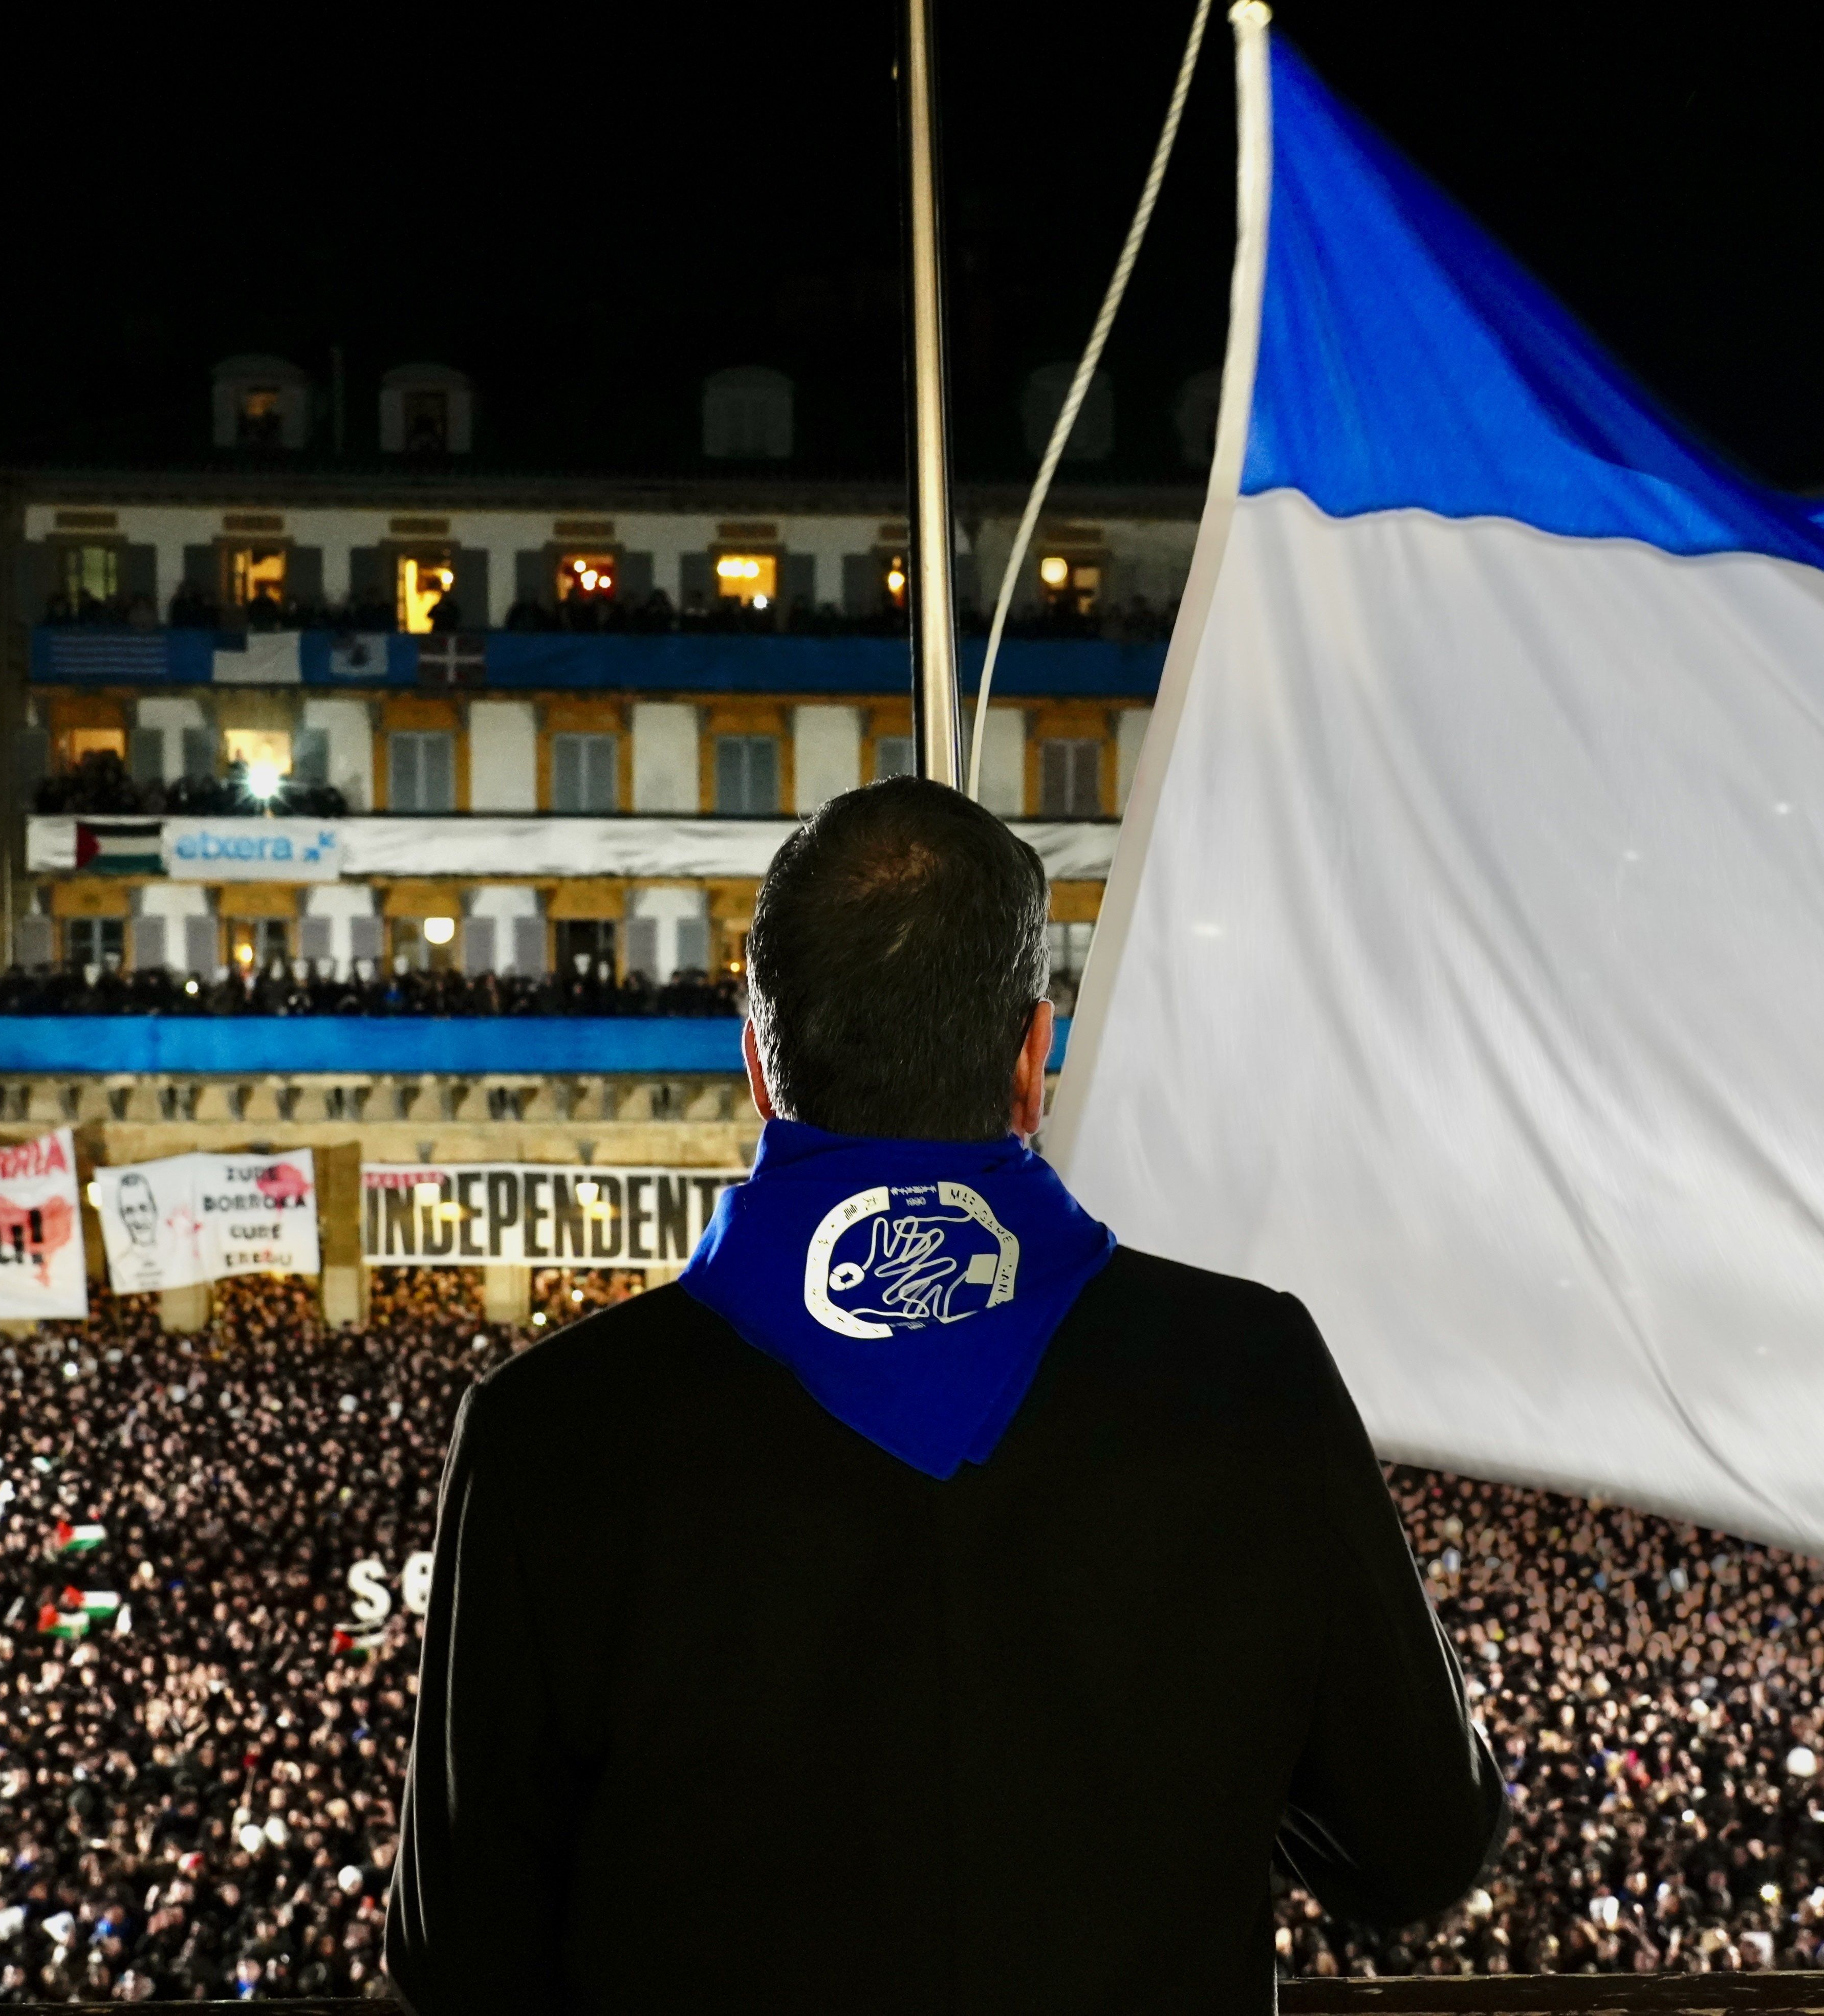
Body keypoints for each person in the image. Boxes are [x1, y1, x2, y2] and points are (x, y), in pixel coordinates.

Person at [387, 777, 1505, 2013]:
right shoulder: (1250, 1373)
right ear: (1033, 1059)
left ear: (757, 1062)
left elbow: (461, 1960)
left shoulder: (546, 1432)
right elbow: (1415, 1849)